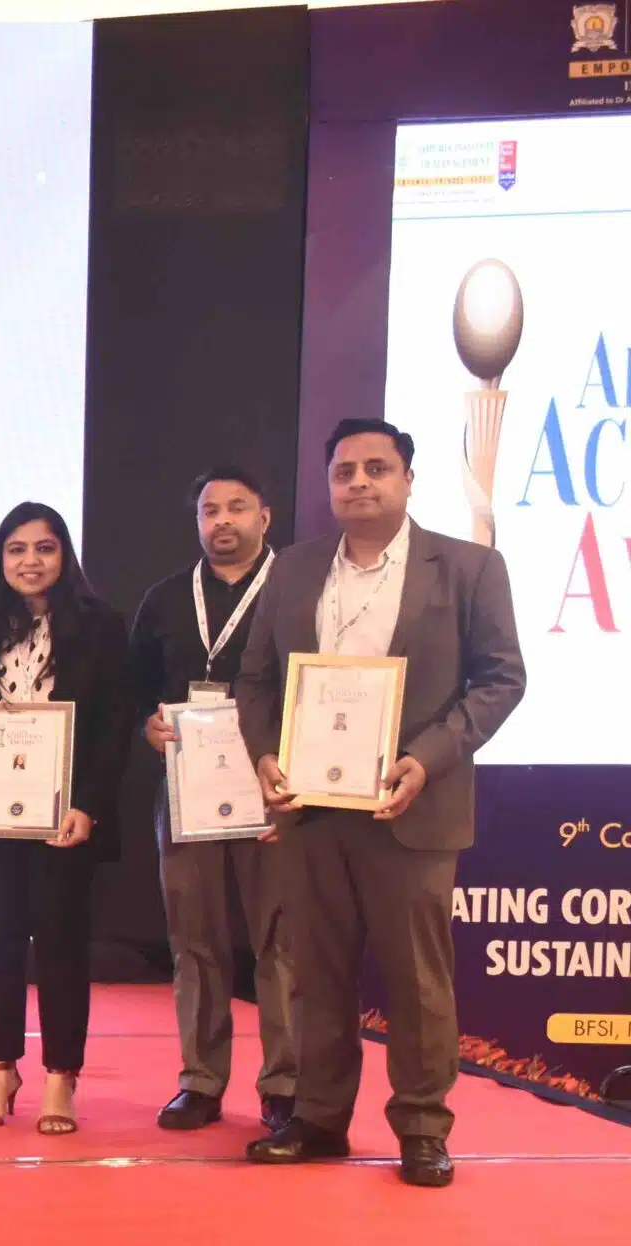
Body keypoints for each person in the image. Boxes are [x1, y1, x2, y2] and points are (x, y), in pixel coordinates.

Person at [236, 418, 526, 1187]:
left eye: (376, 468)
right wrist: (264, 753)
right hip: (311, 809)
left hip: (411, 807)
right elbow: (256, 680)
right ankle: (318, 1119)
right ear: (328, 485)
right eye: (344, 471)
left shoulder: (468, 566)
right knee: (316, 975)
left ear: (407, 480)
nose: (359, 482)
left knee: (418, 982)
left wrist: (426, 759)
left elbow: (502, 679)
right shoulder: (293, 569)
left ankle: (423, 1128)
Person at [0, 503, 134, 1135]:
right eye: (16, 549)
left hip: (64, 819)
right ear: (0, 557)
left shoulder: (101, 626)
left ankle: (60, 1075)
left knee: (61, 948)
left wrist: (88, 805)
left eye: (44, 548)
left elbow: (114, 727)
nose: (30, 561)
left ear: (64, 556)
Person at [129, 467, 297, 1135]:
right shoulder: (167, 598)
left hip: (273, 788)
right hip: (188, 788)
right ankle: (200, 1081)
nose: (222, 520)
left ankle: (285, 1086)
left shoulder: (298, 590)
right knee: (194, 939)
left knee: (282, 940)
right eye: (209, 510)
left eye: (236, 507)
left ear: (265, 516)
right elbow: (133, 688)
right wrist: (145, 724)